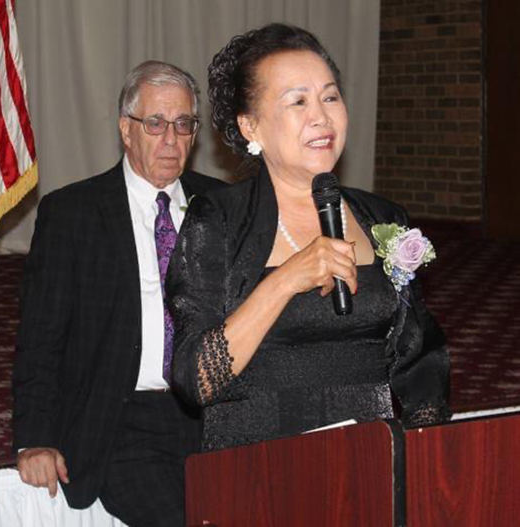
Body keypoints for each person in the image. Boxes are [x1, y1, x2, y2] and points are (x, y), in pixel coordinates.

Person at [166, 24, 451, 452]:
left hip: (367, 459)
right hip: (258, 465)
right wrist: (285, 280)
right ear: (251, 126)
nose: (321, 117)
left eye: (330, 97)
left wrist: (427, 451)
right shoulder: (218, 219)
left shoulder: (382, 217)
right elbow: (196, 379)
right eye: (298, 101)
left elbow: (419, 356)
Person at [12, 60, 226, 526]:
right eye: (155, 123)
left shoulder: (223, 206)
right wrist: (35, 437)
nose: (171, 139)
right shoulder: (73, 213)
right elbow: (41, 337)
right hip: (125, 421)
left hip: (216, 419)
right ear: (126, 129)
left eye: (183, 124)